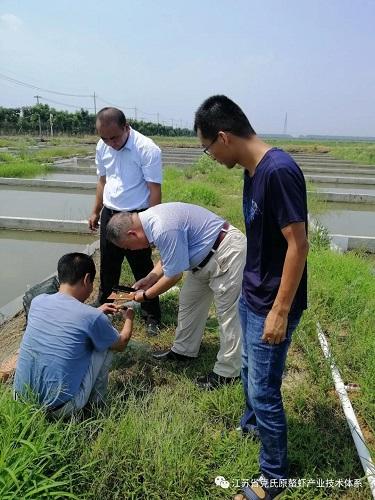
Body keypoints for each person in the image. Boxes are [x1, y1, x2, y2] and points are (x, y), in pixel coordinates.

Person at [194, 95, 309, 500]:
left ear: (223, 137)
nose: (209, 157)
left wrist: (279, 310)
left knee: (264, 389)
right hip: (252, 292)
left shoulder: (278, 171)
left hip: (271, 302)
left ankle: (274, 475)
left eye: (207, 149)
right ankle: (252, 425)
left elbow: (299, 244)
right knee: (248, 370)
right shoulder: (251, 170)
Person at [106, 202, 247, 389]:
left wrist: (146, 295)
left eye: (128, 247)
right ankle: (184, 351)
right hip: (202, 260)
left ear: (132, 234)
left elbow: (174, 275)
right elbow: (168, 256)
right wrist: (151, 277)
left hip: (225, 252)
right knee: (188, 301)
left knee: (228, 315)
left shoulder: (162, 226)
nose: (131, 251)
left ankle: (228, 373)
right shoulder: (149, 221)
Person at [13, 252, 134, 418]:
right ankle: (98, 406)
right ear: (86, 279)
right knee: (105, 344)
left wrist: (95, 311)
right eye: (92, 283)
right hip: (59, 409)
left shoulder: (38, 301)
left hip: (21, 400)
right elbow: (121, 344)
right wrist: (129, 319)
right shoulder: (92, 317)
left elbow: (64, 318)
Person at [88, 107, 162, 336]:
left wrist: (152, 228)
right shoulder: (103, 146)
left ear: (126, 127)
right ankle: (107, 308)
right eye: (104, 138)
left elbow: (154, 190)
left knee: (142, 267)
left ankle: (151, 316)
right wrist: (96, 210)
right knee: (109, 267)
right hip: (110, 214)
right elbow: (103, 180)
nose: (110, 142)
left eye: (115, 137)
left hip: (135, 218)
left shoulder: (147, 149)